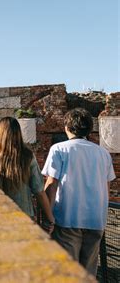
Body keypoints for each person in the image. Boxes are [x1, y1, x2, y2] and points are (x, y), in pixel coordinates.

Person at [43, 108, 116, 276]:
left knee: (68, 273)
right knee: (89, 273)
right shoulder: (103, 153)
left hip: (68, 218)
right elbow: (107, 187)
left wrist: (48, 217)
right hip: (96, 220)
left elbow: (51, 183)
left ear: (67, 126)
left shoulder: (59, 149)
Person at [0, 117, 55, 233]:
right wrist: (50, 218)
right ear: (18, 133)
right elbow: (39, 191)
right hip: (24, 216)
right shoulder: (27, 156)